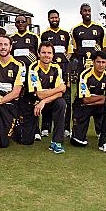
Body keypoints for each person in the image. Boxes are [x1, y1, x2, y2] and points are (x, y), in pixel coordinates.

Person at [13, 42, 66, 153]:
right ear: (38, 54)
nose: (46, 55)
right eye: (43, 52)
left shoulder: (56, 68)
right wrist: (58, 89)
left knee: (61, 103)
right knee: (26, 140)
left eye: (49, 53)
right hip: (30, 104)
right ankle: (15, 127)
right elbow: (40, 94)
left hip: (45, 103)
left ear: (53, 55)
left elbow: (61, 94)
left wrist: (44, 101)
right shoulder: (33, 68)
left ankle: (56, 142)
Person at [70, 51, 106, 152]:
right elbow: (85, 99)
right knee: (78, 142)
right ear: (93, 62)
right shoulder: (84, 75)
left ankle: (103, 134)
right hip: (82, 106)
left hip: (99, 107)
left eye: (103, 62)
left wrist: (100, 100)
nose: (101, 65)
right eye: (98, 62)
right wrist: (102, 97)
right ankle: (76, 132)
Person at [40, 9, 73, 138]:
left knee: (66, 98)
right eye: (52, 18)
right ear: (48, 19)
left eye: (56, 17)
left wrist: (65, 61)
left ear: (59, 18)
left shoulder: (65, 34)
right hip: (49, 70)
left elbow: (70, 51)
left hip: (64, 70)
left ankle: (66, 128)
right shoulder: (44, 34)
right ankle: (45, 127)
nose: (54, 19)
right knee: (48, 95)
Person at [71, 3, 106, 76]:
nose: (87, 13)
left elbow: (104, 47)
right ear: (81, 12)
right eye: (85, 11)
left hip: (96, 63)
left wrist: (99, 59)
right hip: (82, 62)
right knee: (81, 82)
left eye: (89, 11)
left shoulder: (99, 28)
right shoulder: (76, 29)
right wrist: (79, 58)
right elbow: (74, 48)